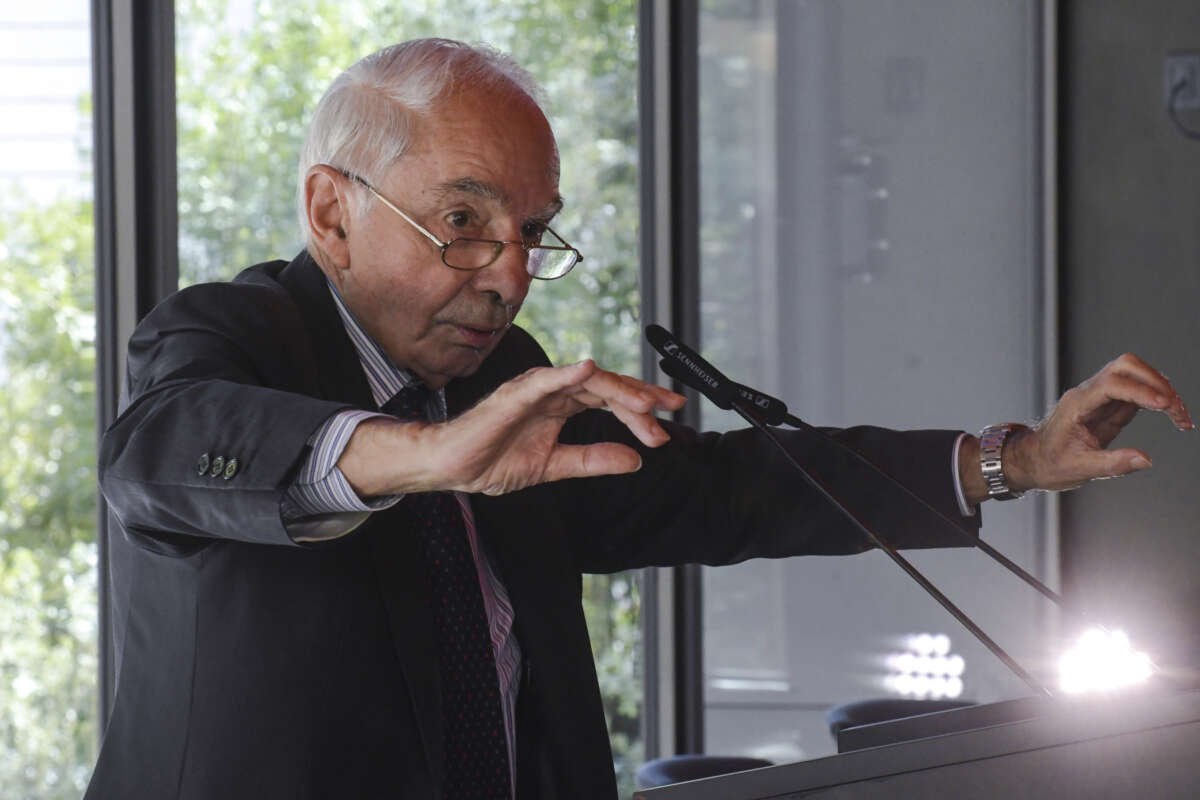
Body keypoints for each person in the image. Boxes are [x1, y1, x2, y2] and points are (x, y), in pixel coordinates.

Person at [86, 38, 1192, 800]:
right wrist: (422, 456)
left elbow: (723, 489)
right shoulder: (228, 332)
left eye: (532, 233)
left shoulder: (504, 376)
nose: (506, 276)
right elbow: (159, 453)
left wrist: (1011, 459)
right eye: (463, 221)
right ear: (332, 212)